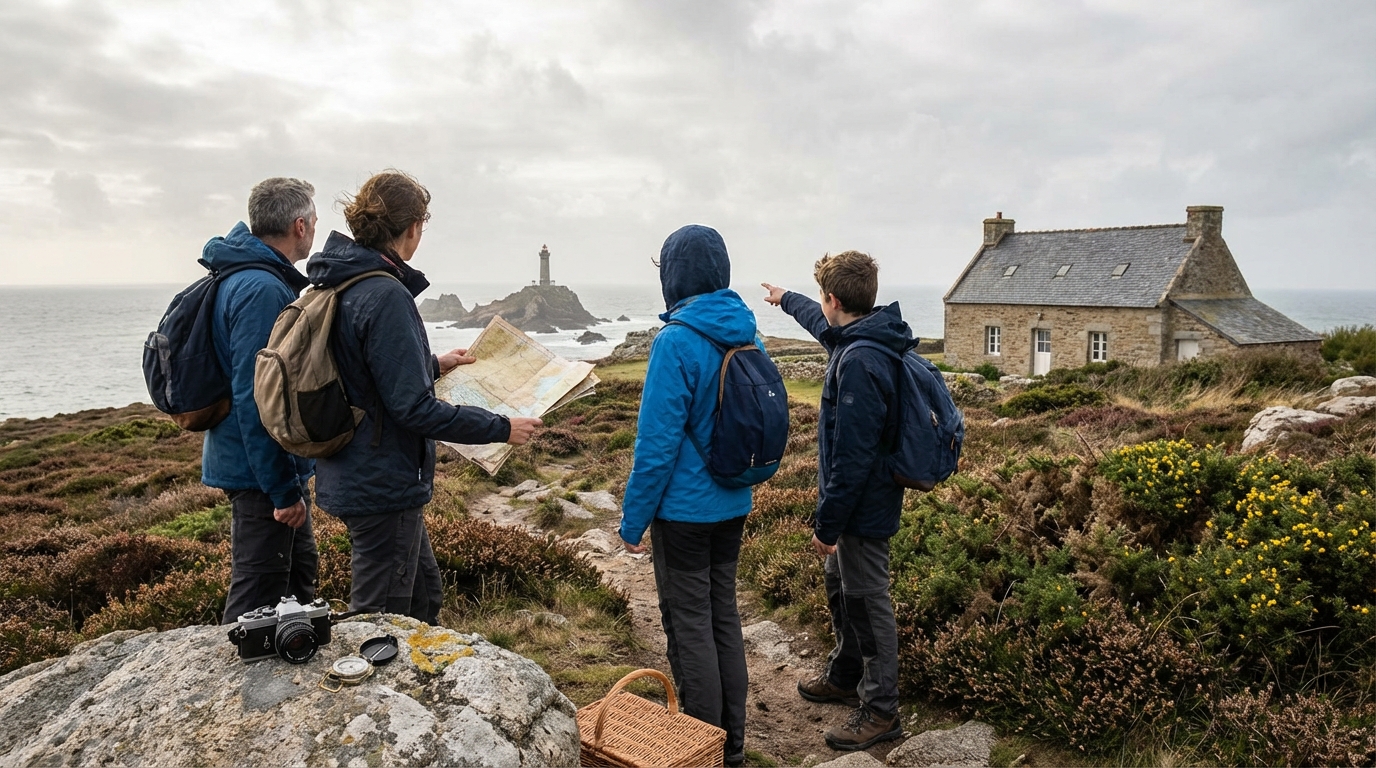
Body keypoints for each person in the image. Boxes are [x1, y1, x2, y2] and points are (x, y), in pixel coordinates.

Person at [305, 170, 541, 624]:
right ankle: (369, 692)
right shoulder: (385, 293)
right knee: (380, 621)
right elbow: (413, 409)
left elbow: (361, 374)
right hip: (381, 482)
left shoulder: (338, 281)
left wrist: (432, 365)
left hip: (355, 469)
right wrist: (501, 428)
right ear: (413, 227)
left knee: (422, 598)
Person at [620, 224, 758, 768]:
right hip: (733, 503)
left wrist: (633, 523)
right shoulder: (748, 333)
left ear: (673, 277)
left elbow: (655, 446)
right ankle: (734, 750)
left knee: (690, 624)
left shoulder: (675, 340)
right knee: (723, 615)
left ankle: (702, 751)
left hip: (683, 514)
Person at [761, 251, 909, 751]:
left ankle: (882, 710)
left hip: (862, 510)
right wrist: (786, 300)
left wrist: (827, 525)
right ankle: (846, 675)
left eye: (820, 297)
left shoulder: (862, 360)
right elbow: (816, 319)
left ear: (835, 301)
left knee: (868, 603)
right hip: (853, 506)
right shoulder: (854, 334)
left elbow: (852, 458)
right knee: (840, 587)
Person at [202, 177, 319, 624]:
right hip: (259, 474)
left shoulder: (244, 276)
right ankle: (236, 688)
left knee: (297, 575)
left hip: (262, 468)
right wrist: (282, 490)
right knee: (259, 591)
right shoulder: (262, 289)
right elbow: (257, 399)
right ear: (300, 225)